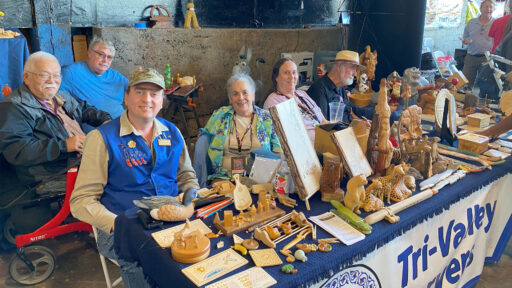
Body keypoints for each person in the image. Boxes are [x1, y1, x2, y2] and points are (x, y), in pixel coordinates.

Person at [70, 68, 199, 288]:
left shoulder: (172, 132)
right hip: (121, 227)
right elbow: (81, 201)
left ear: (162, 101)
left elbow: (188, 176)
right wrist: (119, 225)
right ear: (126, 97)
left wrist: (187, 204)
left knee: (200, 260)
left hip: (170, 218)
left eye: (154, 93)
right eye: (140, 92)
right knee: (145, 263)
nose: (147, 99)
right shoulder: (101, 138)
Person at [0, 51, 111, 189]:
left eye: (56, 75)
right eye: (44, 75)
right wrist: (64, 146)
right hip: (50, 176)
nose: (52, 81)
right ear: (26, 77)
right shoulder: (14, 107)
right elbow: (18, 151)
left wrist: (105, 120)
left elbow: (85, 109)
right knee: (113, 182)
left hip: (81, 162)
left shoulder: (60, 96)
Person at [199, 73, 282, 182]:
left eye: (245, 92)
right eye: (235, 94)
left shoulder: (266, 119)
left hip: (258, 179)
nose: (241, 98)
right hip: (223, 178)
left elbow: (277, 151)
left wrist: (270, 177)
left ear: (253, 95)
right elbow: (203, 141)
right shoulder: (219, 116)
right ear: (230, 99)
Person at [60, 37, 128, 123]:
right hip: (97, 131)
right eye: (101, 54)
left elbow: (135, 92)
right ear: (89, 53)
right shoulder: (71, 73)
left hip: (122, 127)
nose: (105, 60)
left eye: (109, 57)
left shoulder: (115, 76)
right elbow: (55, 101)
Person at [263, 58, 326, 143]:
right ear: (276, 77)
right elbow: (287, 137)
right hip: (305, 150)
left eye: (294, 72)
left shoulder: (302, 94)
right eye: (286, 73)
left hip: (323, 142)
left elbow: (323, 120)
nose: (292, 76)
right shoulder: (274, 101)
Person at [307, 50, 364, 122]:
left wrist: (361, 123)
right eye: (353, 68)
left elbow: (349, 113)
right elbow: (323, 126)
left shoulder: (340, 88)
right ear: (340, 67)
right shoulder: (319, 90)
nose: (355, 74)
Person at [462, 0, 495, 90]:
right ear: (480, 9)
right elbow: (464, 37)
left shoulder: (496, 23)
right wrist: (465, 41)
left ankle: (482, 101)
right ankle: (465, 100)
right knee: (465, 83)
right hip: (471, 57)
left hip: (487, 58)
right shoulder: (471, 22)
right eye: (486, 7)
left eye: (491, 7)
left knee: (485, 84)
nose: (488, 9)